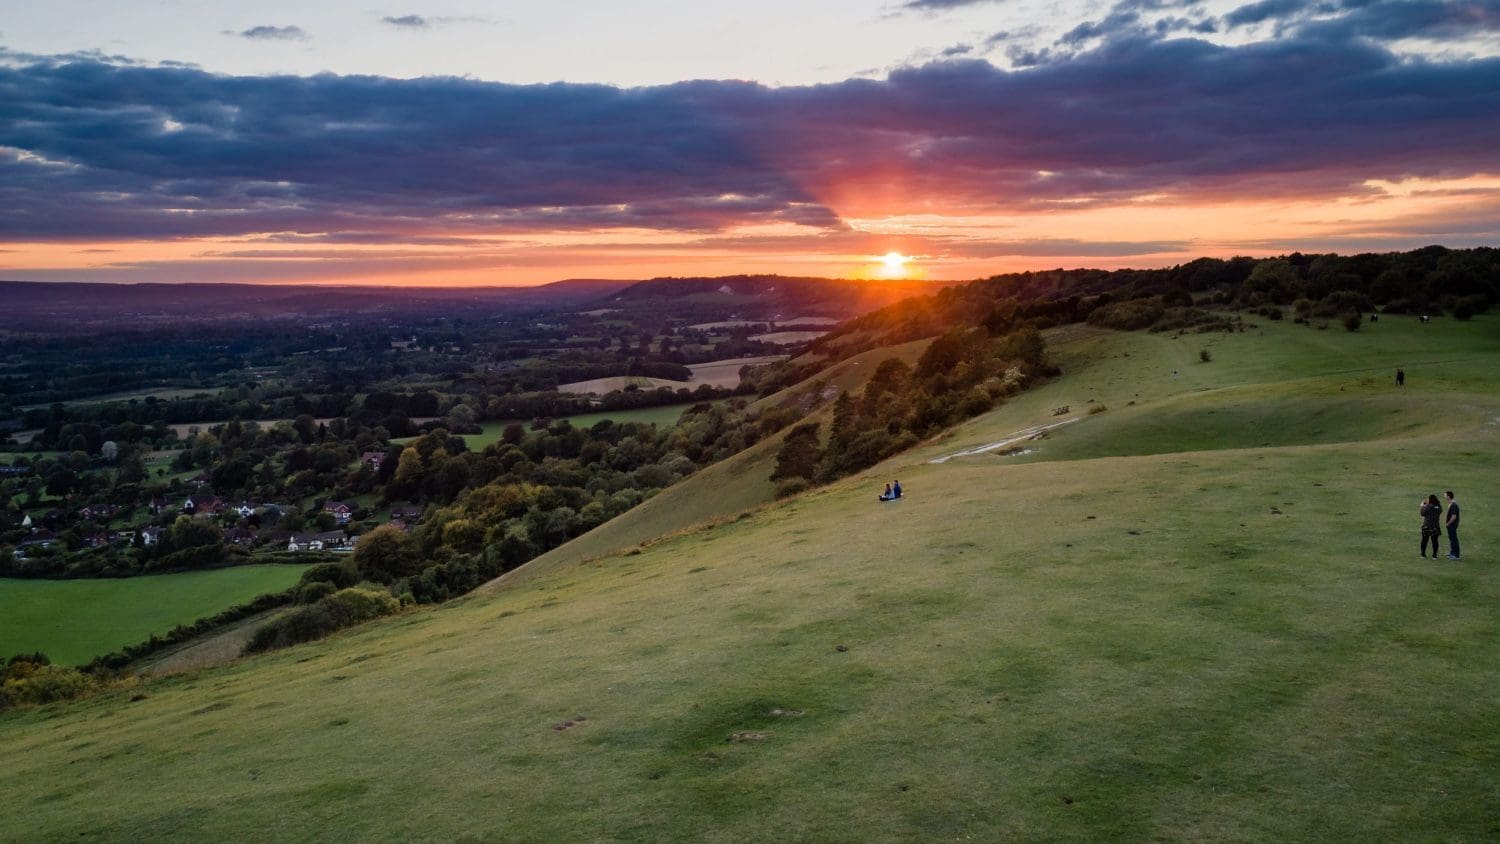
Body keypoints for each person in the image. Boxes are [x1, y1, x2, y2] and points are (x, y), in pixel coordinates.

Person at [1420, 494, 1442, 558]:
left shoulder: (1429, 506)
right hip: (1435, 526)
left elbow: (1422, 513)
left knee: (1424, 540)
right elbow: (1439, 511)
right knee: (1435, 541)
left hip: (1427, 525)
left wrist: (1422, 506)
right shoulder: (1439, 506)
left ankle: (1423, 554)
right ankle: (1434, 556)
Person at [1445, 491, 1461, 560]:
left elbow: (1454, 516)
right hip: (1451, 525)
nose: (1444, 497)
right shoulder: (1451, 504)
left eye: (1445, 495)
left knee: (1454, 540)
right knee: (1452, 539)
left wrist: (1448, 523)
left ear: (1448, 496)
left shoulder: (1454, 505)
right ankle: (1452, 553)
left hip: (1452, 525)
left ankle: (1456, 555)